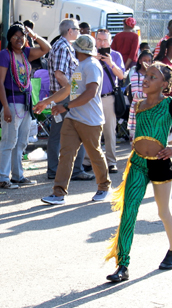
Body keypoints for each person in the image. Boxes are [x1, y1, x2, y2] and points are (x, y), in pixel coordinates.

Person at [103, 62, 172, 283]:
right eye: (146, 75)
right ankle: (122, 265)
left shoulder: (170, 105)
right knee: (129, 211)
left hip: (159, 164)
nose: (146, 79)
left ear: (165, 84)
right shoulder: (137, 104)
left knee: (163, 212)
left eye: (153, 77)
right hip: (137, 163)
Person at [34, 34, 110, 205]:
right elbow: (68, 89)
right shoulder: (80, 65)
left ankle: (104, 187)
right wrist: (46, 102)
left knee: (94, 153)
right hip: (73, 117)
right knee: (66, 154)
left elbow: (90, 93)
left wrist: (66, 106)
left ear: (78, 49)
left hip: (90, 120)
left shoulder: (91, 66)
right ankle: (58, 193)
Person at [0, 22, 50, 188]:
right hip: (11, 103)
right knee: (8, 141)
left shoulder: (26, 52)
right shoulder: (4, 55)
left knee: (21, 142)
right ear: (9, 38)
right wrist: (5, 107)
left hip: (26, 104)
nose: (19, 39)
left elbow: (46, 48)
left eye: (22, 36)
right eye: (15, 36)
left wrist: (34, 35)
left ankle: (18, 176)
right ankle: (3, 178)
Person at [48, 19, 91, 182]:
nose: (80, 32)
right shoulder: (62, 47)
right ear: (70, 31)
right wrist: (72, 92)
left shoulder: (66, 46)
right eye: (78, 29)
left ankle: (59, 169)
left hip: (65, 95)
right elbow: (59, 74)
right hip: (64, 96)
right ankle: (72, 170)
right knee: (71, 132)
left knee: (62, 133)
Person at [95, 29, 125, 173]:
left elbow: (121, 76)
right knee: (91, 131)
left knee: (109, 131)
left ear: (110, 41)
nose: (102, 43)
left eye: (105, 40)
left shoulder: (115, 55)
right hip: (92, 98)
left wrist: (111, 64)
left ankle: (111, 162)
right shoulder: (90, 54)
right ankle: (88, 161)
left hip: (108, 97)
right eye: (99, 40)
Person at [127, 50, 153, 141]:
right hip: (138, 108)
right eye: (145, 60)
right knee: (136, 138)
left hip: (150, 108)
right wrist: (150, 93)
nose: (147, 63)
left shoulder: (153, 76)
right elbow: (135, 94)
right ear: (140, 61)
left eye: (149, 60)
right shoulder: (135, 75)